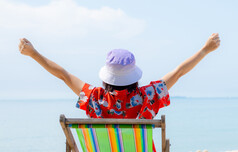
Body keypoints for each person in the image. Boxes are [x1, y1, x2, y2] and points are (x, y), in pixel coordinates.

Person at [18, 33, 221, 119]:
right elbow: (179, 72)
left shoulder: (94, 97)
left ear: (106, 77)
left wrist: (33, 53)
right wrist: (205, 50)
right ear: (134, 76)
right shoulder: (148, 96)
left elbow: (63, 75)